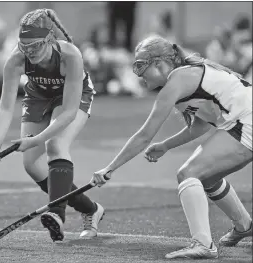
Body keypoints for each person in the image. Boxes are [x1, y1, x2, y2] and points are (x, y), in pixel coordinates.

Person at [91, 35, 252, 259]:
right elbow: (200, 127)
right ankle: (244, 226)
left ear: (159, 64)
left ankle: (203, 244)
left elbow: (144, 135)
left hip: (246, 122)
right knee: (205, 176)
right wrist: (166, 146)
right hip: (242, 121)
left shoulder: (178, 80)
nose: (138, 75)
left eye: (140, 66)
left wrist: (109, 168)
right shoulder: (182, 81)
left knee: (189, 173)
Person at [0, 8, 105, 241]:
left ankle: (56, 214)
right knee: (32, 165)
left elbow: (68, 112)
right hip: (38, 96)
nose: (30, 52)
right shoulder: (16, 59)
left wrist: (37, 140)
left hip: (73, 97)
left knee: (56, 145)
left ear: (49, 39)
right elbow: (5, 107)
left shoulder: (71, 56)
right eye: (25, 47)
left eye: (36, 46)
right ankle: (91, 209)